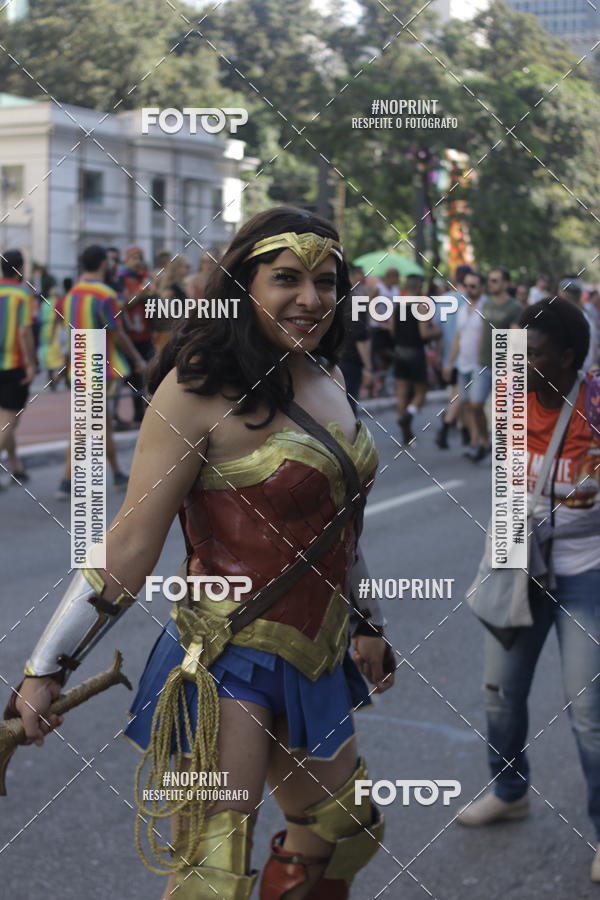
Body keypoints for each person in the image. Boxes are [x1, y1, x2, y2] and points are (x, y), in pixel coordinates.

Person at [7, 207, 395, 900]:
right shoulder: (194, 391)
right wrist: (44, 672)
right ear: (244, 284)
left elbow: (342, 528)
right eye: (287, 279)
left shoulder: (327, 375)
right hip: (224, 661)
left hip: (319, 653)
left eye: (327, 282)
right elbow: (128, 542)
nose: (311, 299)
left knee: (346, 833)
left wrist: (367, 622)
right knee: (212, 877)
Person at [457, 298, 600, 883]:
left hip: (588, 570)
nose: (518, 360)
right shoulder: (508, 397)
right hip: (522, 560)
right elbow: (509, 482)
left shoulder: (595, 404)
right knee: (500, 694)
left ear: (567, 357)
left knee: (588, 710)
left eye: (533, 353)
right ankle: (509, 789)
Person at [53, 244, 147, 499]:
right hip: (99, 368)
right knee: (88, 425)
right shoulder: (106, 295)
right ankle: (69, 479)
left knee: (94, 422)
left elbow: (68, 335)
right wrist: (138, 359)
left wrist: (63, 365)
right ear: (104, 264)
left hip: (78, 368)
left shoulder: (71, 295)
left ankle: (113, 472)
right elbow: (117, 334)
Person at [468, 267, 522, 461]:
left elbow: (516, 337)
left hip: (503, 367)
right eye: (490, 280)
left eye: (496, 281)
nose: (491, 284)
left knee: (502, 415)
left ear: (506, 283)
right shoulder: (487, 303)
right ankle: (485, 442)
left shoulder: (514, 307)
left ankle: (504, 451)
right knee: (475, 405)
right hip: (482, 364)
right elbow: (483, 330)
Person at [390, 273, 441, 445]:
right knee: (421, 393)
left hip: (399, 351)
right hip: (415, 352)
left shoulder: (397, 304)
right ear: (419, 287)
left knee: (402, 393)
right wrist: (438, 332)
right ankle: (409, 415)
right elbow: (424, 333)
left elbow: (391, 329)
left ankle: (406, 431)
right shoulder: (421, 305)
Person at [0, 249, 36, 488]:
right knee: (9, 419)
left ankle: (17, 468)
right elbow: (24, 332)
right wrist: (32, 363)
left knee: (4, 418)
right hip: (13, 365)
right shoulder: (23, 295)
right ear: (20, 269)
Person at [440, 271, 485, 450]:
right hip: (462, 363)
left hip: (480, 365)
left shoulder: (486, 308)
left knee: (475, 404)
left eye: (473, 286)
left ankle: (480, 440)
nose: (469, 290)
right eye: (467, 286)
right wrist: (449, 362)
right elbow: (458, 337)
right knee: (466, 403)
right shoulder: (462, 310)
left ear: (482, 287)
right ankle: (474, 439)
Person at [435, 264, 473, 449]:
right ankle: (446, 426)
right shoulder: (472, 301)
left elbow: (437, 330)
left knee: (459, 394)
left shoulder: (442, 300)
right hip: (466, 356)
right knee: (461, 395)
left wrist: (441, 357)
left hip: (447, 356)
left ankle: (466, 433)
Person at [120, 246, 155, 424]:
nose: (138, 261)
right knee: (132, 378)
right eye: (134, 258)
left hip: (146, 333)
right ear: (126, 260)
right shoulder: (122, 278)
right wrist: (142, 292)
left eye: (140, 257)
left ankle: (144, 414)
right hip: (129, 335)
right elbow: (126, 303)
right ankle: (136, 415)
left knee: (147, 376)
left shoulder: (144, 278)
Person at [339, 265, 372, 411]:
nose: (364, 278)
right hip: (352, 359)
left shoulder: (337, 298)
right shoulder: (357, 301)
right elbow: (361, 338)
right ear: (354, 275)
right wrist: (368, 366)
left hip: (336, 357)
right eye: (362, 274)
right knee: (350, 404)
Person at [368, 266, 398, 396]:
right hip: (378, 327)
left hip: (390, 327)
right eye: (396, 276)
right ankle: (373, 385)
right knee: (381, 355)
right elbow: (370, 305)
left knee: (388, 359)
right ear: (389, 276)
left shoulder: (396, 289)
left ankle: (381, 382)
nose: (397, 279)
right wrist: (379, 322)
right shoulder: (379, 288)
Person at [152, 254, 190, 351]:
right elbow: (162, 305)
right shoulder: (172, 287)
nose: (188, 268)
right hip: (170, 333)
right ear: (177, 268)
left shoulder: (181, 285)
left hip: (178, 330)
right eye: (185, 266)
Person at [559, 275, 598, 370]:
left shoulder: (564, 318)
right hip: (583, 374)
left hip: (569, 376)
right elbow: (593, 353)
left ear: (562, 294)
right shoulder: (587, 317)